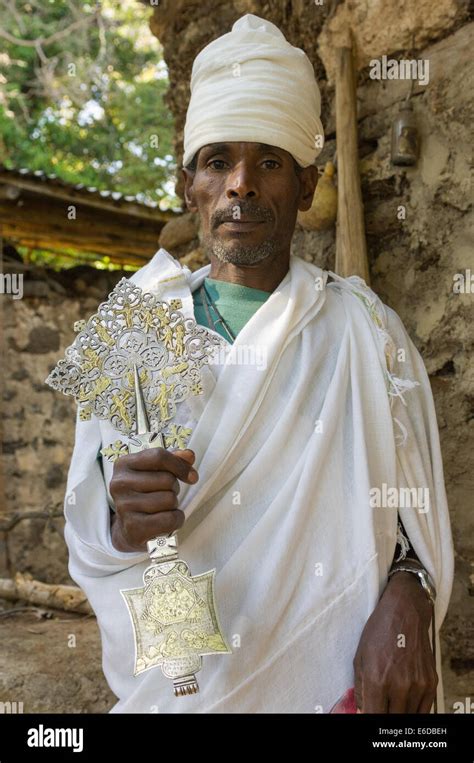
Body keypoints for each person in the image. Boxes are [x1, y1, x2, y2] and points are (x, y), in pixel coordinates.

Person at [61, 14, 453, 713]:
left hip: (333, 691)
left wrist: (412, 590)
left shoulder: (367, 331)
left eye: (269, 162)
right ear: (190, 188)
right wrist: (123, 522)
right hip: (184, 693)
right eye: (217, 162)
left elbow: (412, 529)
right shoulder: (131, 327)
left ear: (306, 187)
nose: (241, 184)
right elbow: (88, 539)